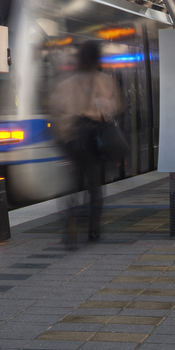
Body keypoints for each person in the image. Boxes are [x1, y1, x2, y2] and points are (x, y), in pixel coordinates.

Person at [50, 40, 125, 242]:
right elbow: (115, 108)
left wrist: (63, 137)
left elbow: (55, 113)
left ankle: (71, 218)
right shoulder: (105, 81)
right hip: (94, 141)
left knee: (74, 183)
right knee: (94, 185)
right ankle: (93, 229)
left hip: (72, 140)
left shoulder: (64, 83)